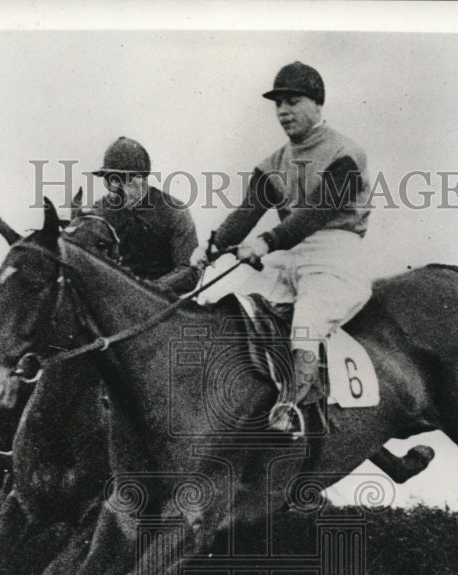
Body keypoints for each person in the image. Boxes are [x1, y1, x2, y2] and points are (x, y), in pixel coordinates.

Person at [191, 62, 372, 433]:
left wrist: (267, 241)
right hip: (288, 255)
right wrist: (211, 247)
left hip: (336, 253)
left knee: (305, 325)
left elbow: (314, 214)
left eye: (292, 101)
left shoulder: (346, 154)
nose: (283, 111)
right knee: (223, 297)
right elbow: (247, 213)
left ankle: (293, 409)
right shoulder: (275, 162)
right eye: (278, 104)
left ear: (317, 104)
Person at [78, 136, 199, 294]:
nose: (114, 188)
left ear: (141, 179)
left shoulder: (174, 212)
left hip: (160, 304)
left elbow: (189, 270)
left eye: (122, 180)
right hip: (111, 302)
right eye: (109, 180)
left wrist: (146, 291)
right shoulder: (99, 212)